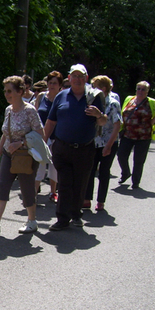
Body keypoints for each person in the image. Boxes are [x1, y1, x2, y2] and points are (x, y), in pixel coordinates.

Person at [43, 64, 107, 231]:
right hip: (62, 148)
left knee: (80, 183)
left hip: (85, 149)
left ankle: (76, 214)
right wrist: (42, 142)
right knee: (64, 183)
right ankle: (62, 219)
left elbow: (103, 122)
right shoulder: (61, 96)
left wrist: (99, 115)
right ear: (69, 78)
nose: (77, 79)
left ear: (86, 79)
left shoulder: (95, 97)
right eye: (74, 76)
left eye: (81, 76)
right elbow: (51, 121)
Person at [0, 76, 43, 235]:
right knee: (2, 186)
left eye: (10, 91)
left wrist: (21, 144)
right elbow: (5, 135)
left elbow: (40, 134)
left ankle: (32, 221)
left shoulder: (29, 111)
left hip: (25, 156)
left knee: (27, 188)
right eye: (5, 91)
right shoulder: (8, 110)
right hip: (8, 154)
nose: (7, 94)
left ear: (20, 91)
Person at [117, 81, 155, 189]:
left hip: (143, 136)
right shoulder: (129, 99)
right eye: (138, 88)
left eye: (143, 89)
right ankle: (125, 173)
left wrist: (154, 119)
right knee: (121, 155)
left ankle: (136, 182)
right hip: (127, 134)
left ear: (147, 91)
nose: (140, 91)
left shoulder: (151, 102)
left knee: (139, 160)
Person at [84, 75, 122, 211]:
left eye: (95, 86)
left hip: (108, 142)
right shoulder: (92, 101)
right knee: (90, 171)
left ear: (103, 88)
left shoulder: (112, 103)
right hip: (93, 143)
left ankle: (101, 201)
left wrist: (109, 146)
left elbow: (117, 125)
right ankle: (87, 199)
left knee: (104, 172)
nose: (92, 89)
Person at [33, 71, 63, 203]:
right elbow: (34, 115)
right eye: (50, 82)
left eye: (54, 83)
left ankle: (53, 192)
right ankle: (33, 193)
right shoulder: (41, 96)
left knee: (54, 166)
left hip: (57, 137)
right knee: (39, 164)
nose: (51, 85)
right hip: (41, 137)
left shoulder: (62, 98)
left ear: (60, 85)